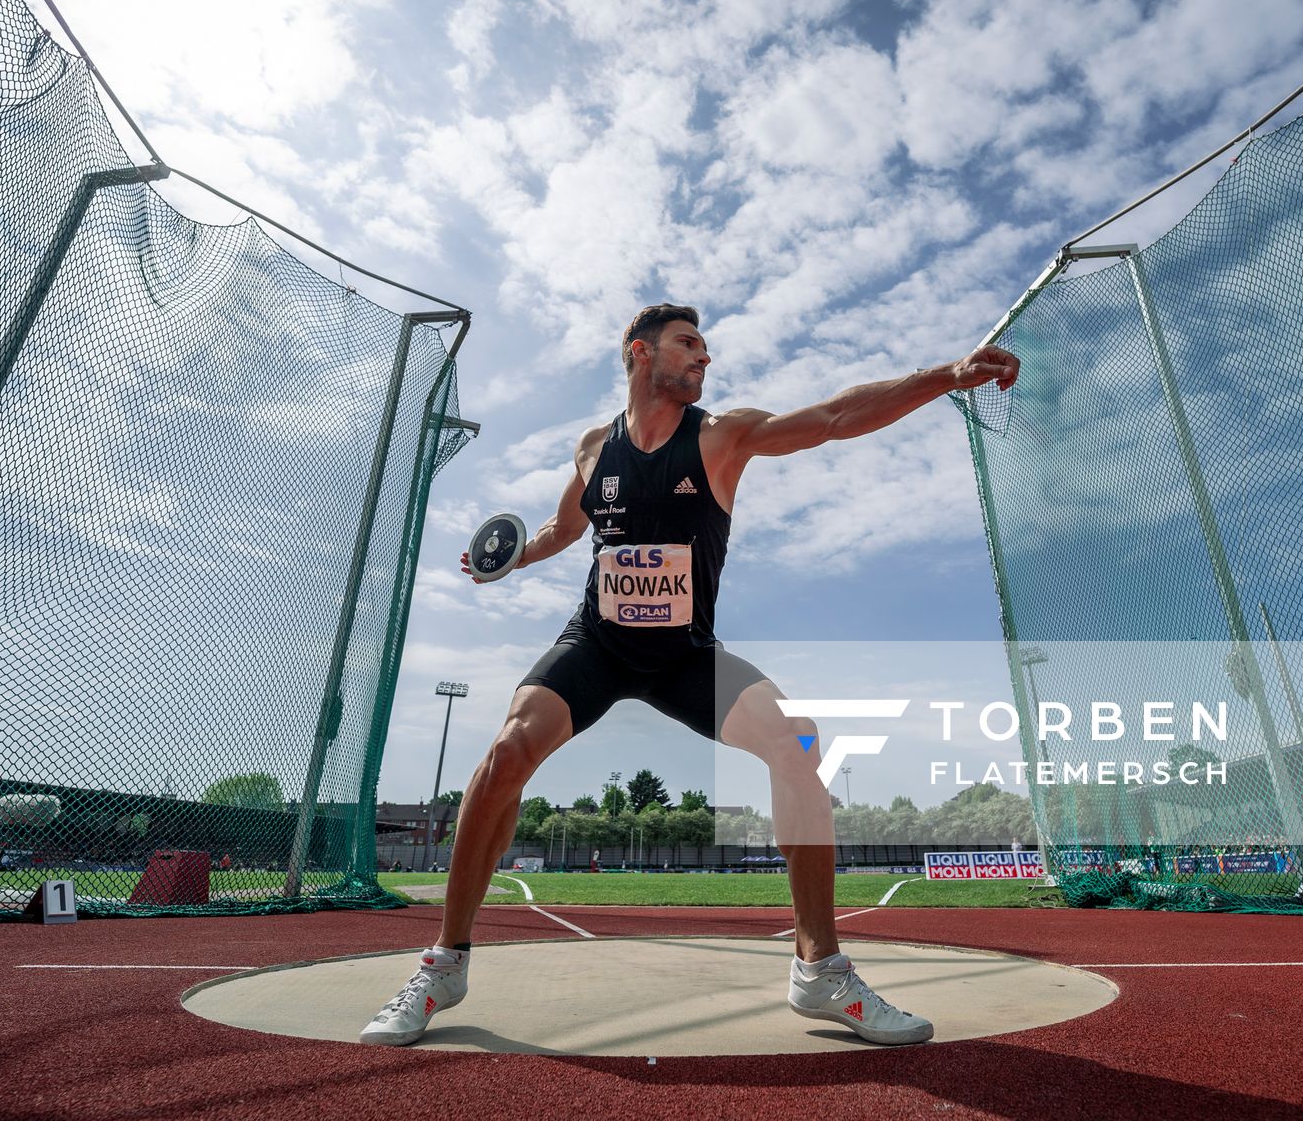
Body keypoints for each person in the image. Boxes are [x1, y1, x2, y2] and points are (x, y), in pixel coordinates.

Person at [360, 303, 1018, 1048]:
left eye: (706, 347)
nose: (704, 357)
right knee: (506, 753)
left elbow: (834, 416)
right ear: (641, 354)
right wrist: (508, 560)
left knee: (797, 740)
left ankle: (820, 972)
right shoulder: (590, 449)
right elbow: (564, 529)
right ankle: (445, 964)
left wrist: (946, 377)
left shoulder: (720, 437)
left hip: (685, 654)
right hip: (597, 645)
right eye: (689, 344)